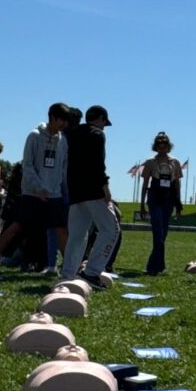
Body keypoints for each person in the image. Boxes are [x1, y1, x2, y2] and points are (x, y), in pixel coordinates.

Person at [12, 103, 72, 272]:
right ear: (52, 118)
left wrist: (61, 188)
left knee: (60, 229)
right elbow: (28, 165)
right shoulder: (34, 136)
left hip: (54, 193)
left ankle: (67, 267)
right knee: (23, 227)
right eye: (61, 120)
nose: (64, 125)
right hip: (33, 192)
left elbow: (62, 167)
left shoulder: (63, 140)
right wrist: (38, 187)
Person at [62, 104, 118, 282]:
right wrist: (105, 186)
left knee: (77, 235)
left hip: (75, 192)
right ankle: (92, 272)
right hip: (93, 191)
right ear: (100, 118)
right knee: (111, 230)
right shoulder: (97, 134)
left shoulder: (70, 133)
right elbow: (97, 163)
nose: (104, 127)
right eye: (104, 122)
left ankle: (68, 274)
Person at [137, 132, 185, 275]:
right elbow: (145, 183)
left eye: (164, 146)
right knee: (157, 231)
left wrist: (178, 202)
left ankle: (154, 265)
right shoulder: (150, 162)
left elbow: (177, 183)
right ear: (156, 147)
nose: (162, 148)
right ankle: (158, 266)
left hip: (169, 197)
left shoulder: (175, 162)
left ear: (168, 147)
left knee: (164, 232)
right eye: (159, 145)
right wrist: (142, 203)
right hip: (155, 195)